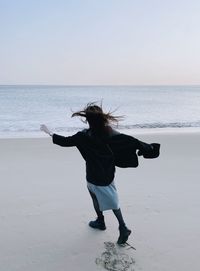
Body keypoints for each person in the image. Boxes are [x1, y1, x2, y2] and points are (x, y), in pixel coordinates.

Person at [40, 102, 160, 245]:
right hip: (108, 173)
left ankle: (122, 227)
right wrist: (149, 148)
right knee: (108, 198)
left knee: (103, 199)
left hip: (93, 174)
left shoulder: (82, 136)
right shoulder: (109, 132)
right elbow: (131, 141)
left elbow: (64, 142)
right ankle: (101, 221)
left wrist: (49, 132)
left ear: (87, 120)